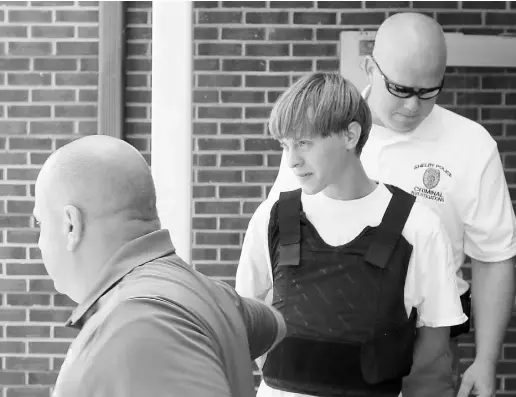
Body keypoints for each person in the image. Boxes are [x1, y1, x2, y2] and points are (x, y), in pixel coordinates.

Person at [268, 12, 516, 397]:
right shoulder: (321, 134)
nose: (414, 106)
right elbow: (279, 237)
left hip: (428, 339)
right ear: (370, 67)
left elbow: (495, 256)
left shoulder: (471, 145)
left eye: (429, 91)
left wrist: (486, 360)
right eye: (401, 89)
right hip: (323, 343)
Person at [236, 72, 467, 397]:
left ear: (350, 135)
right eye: (285, 145)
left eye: (304, 142)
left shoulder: (416, 225)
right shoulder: (273, 217)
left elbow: (436, 337)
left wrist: (376, 377)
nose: (292, 160)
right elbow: (245, 314)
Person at [33, 135, 286, 397]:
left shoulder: (140, 325)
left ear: (70, 225)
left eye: (40, 223)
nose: (39, 243)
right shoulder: (210, 296)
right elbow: (275, 323)